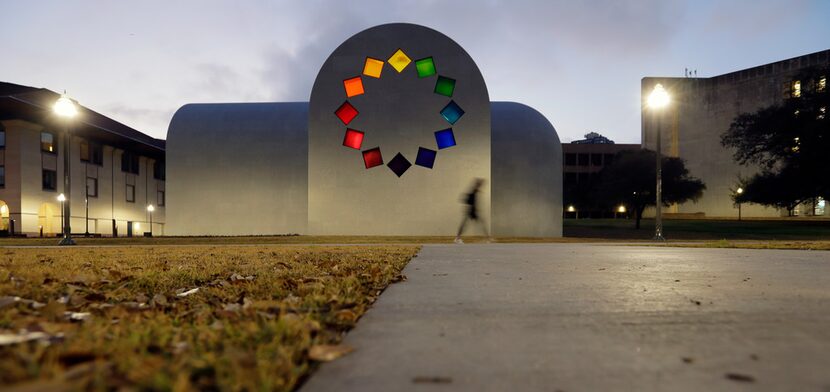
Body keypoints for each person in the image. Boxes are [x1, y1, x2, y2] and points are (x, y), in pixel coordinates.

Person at [455, 178, 489, 244]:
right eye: (480, 184)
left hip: (472, 211)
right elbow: (469, 201)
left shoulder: (475, 191)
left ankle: (487, 238)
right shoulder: (473, 191)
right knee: (465, 224)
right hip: (471, 211)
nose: (481, 186)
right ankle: (457, 238)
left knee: (481, 223)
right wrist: (472, 209)